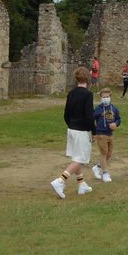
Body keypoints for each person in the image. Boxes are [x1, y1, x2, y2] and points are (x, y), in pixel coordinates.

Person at [50, 66, 94, 199]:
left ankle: (81, 184)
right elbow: (89, 115)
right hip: (81, 130)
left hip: (72, 129)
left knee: (76, 157)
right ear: (88, 78)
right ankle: (61, 181)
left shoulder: (71, 93)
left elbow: (66, 113)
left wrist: (71, 125)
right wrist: (94, 131)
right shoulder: (88, 94)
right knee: (81, 159)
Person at [91, 88, 121, 183]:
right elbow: (92, 120)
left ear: (110, 97)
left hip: (110, 134)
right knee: (104, 154)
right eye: (103, 97)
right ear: (100, 98)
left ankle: (97, 167)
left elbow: (118, 119)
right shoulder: (98, 109)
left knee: (109, 154)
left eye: (107, 97)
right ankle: (105, 173)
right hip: (101, 134)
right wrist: (93, 133)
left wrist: (116, 124)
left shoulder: (114, 108)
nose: (105, 98)